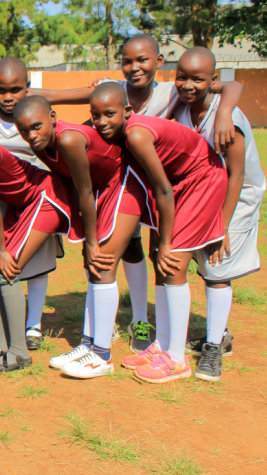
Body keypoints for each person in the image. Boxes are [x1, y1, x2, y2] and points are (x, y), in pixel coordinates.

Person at [39, 34, 244, 353]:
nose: (134, 68)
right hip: (129, 179)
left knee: (175, 256)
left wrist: (225, 111)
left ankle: (161, 329)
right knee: (132, 250)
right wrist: (9, 92)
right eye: (127, 62)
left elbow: (230, 86)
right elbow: (55, 95)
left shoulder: (171, 90)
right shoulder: (109, 91)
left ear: (159, 62)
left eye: (143, 60)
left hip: (167, 183)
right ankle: (138, 330)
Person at [90, 77, 228, 384]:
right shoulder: (124, 131)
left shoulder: (137, 134)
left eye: (109, 114)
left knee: (173, 263)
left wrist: (166, 241)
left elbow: (164, 190)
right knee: (160, 264)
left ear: (126, 111)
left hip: (202, 180)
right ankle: (162, 344)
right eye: (95, 115)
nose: (101, 122)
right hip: (181, 183)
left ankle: (177, 359)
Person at [13, 94, 155, 378]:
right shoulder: (40, 144)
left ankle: (102, 355)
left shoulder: (68, 139)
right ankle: (89, 344)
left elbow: (85, 189)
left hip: (122, 182)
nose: (31, 134)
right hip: (100, 191)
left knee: (102, 261)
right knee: (93, 265)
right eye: (24, 130)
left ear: (52, 118)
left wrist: (90, 241)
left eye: (37, 126)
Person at [0, 99, 83, 375]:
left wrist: (0, 248)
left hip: (45, 197)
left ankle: (19, 353)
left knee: (8, 270)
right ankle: (3, 348)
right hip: (23, 204)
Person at [172, 47, 264, 381]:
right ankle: (218, 332)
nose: (188, 84)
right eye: (182, 76)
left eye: (197, 79)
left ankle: (213, 347)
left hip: (234, 198)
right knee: (203, 263)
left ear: (213, 81)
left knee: (216, 266)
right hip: (204, 196)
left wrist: (221, 226)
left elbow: (236, 175)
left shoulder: (229, 120)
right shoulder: (181, 108)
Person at [0, 58, 65, 357]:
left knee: (36, 262)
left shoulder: (35, 114)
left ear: (28, 87)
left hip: (37, 198)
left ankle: (33, 325)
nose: (9, 96)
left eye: (16, 89)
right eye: (1, 90)